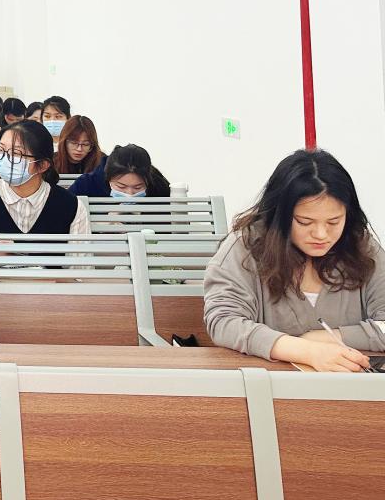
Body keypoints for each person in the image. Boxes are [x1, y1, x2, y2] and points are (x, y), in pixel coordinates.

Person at [204, 149, 385, 371]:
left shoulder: (361, 246)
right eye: (304, 222)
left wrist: (322, 338)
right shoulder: (245, 248)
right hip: (269, 385)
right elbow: (224, 322)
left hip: (352, 386)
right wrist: (306, 351)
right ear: (279, 215)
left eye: (334, 221)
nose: (321, 234)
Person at [0, 119, 88, 234]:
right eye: (0, 150)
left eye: (16, 153)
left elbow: (80, 253)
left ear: (42, 165)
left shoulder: (71, 206)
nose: (4, 158)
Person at [69, 143, 171, 200]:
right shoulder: (85, 185)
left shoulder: (159, 187)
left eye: (138, 187)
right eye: (121, 187)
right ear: (108, 178)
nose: (129, 194)